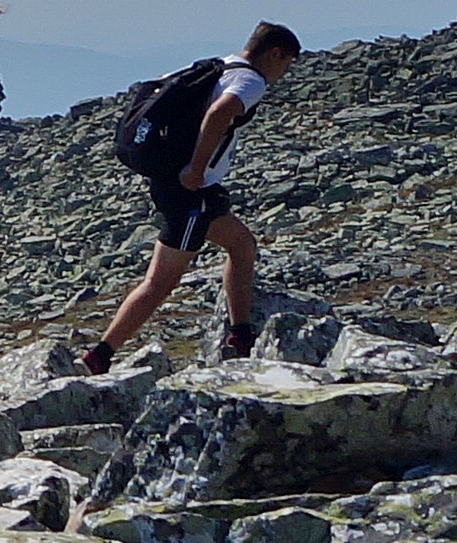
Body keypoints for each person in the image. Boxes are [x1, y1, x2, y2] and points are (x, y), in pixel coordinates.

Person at [83, 22, 303, 372]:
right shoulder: (250, 81)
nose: (282, 73)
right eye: (286, 63)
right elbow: (219, 114)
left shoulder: (219, 66)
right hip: (190, 192)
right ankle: (100, 356)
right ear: (275, 53)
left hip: (186, 186)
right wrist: (196, 169)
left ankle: (240, 335)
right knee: (160, 282)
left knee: (243, 246)